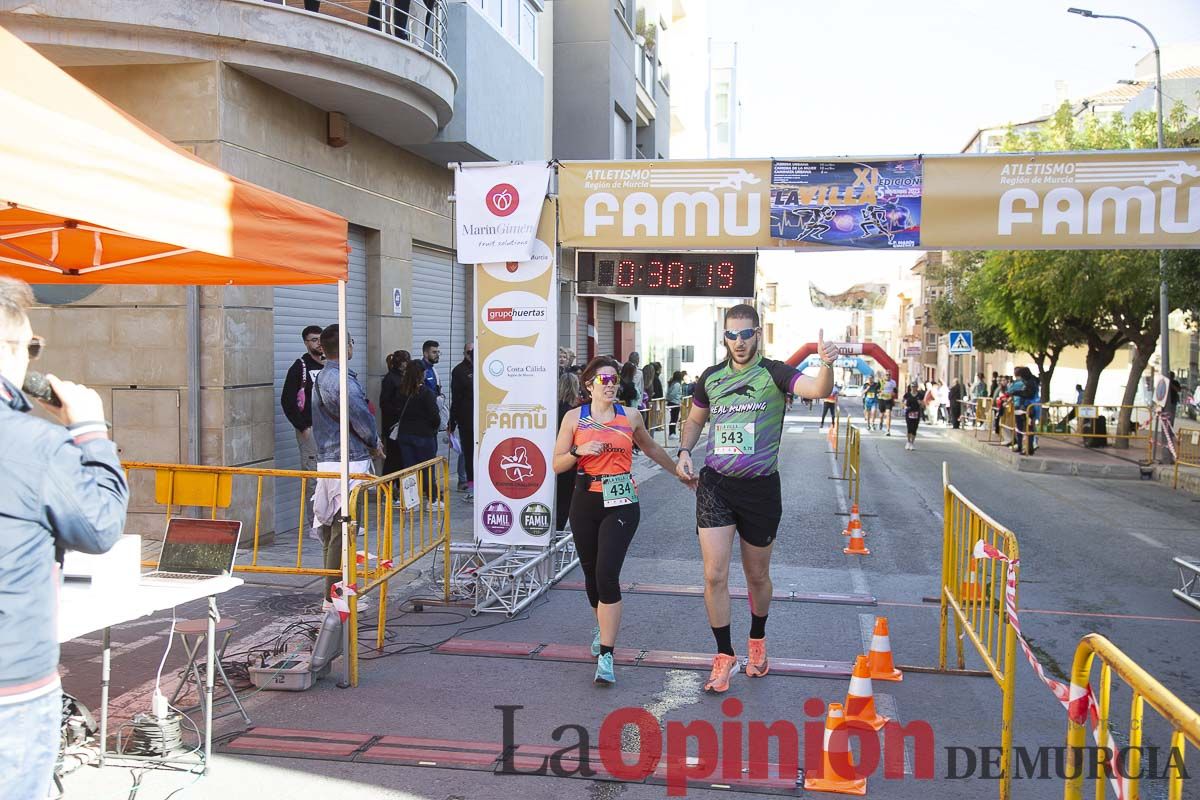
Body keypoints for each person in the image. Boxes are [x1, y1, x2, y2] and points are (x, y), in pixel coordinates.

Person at [0, 277, 129, 800]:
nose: (32, 361)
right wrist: (91, 434)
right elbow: (99, 525)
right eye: (32, 347)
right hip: (10, 687)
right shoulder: (33, 444)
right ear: (9, 347)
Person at [674, 305, 837, 693]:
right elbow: (696, 419)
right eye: (732, 335)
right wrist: (684, 451)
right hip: (715, 485)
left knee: (756, 576)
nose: (739, 342)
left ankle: (758, 642)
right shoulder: (710, 378)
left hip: (760, 488)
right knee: (713, 574)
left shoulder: (774, 373)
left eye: (746, 334)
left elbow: (818, 390)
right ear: (724, 338)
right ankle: (724, 655)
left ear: (757, 335)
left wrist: (826, 364)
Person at [553, 357, 683, 685]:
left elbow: (651, 448)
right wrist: (580, 452)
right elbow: (557, 464)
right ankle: (602, 624)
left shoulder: (631, 416)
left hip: (622, 501)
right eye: (603, 380)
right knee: (591, 574)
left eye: (613, 379)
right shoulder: (574, 418)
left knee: (606, 574)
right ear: (589, 386)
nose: (610, 385)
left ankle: (607, 655)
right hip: (585, 500)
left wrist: (679, 473)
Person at [312, 324, 385, 602]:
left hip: (333, 459)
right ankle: (335, 595)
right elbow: (360, 416)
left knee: (334, 529)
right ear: (346, 346)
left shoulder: (326, 377)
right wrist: (374, 442)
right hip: (347, 460)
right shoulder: (340, 379)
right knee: (344, 529)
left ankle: (336, 591)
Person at [393, 348, 443, 509]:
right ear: (421, 374)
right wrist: (434, 428)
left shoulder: (401, 392)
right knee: (428, 469)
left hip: (405, 435)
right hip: (424, 435)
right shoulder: (426, 393)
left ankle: (410, 501)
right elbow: (435, 416)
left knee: (409, 469)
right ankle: (433, 500)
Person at [280, 325, 325, 471]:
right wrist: (303, 427)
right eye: (314, 340)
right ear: (306, 343)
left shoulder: (330, 365)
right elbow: (287, 401)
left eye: (321, 339)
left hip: (331, 429)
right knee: (313, 473)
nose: (319, 343)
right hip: (310, 427)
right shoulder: (300, 367)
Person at [555, 371, 582, 532]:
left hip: (555, 457)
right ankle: (559, 532)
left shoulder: (553, 409)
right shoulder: (573, 413)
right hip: (569, 460)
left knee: (559, 499)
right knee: (567, 500)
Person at [379, 349, 411, 476]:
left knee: (400, 455)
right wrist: (398, 412)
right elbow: (384, 403)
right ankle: (389, 483)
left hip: (402, 422)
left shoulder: (403, 377)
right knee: (393, 456)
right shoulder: (391, 379)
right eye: (405, 361)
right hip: (393, 424)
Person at [448, 342, 474, 496]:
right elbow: (456, 398)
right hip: (466, 419)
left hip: (482, 419)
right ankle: (467, 484)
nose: (471, 354)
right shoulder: (459, 371)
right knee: (467, 452)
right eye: (468, 352)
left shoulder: (483, 368)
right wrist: (452, 421)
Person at [903, 382, 923, 450]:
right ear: (910, 387)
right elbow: (903, 402)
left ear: (917, 387)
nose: (913, 388)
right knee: (909, 428)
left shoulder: (920, 395)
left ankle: (912, 443)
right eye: (912, 387)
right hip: (909, 412)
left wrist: (920, 403)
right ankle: (908, 441)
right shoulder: (907, 395)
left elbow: (923, 405)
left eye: (915, 387)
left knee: (914, 428)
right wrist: (905, 406)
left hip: (916, 412)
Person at [666, 370, 685, 437]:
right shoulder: (677, 384)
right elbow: (673, 394)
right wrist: (679, 396)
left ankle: (672, 433)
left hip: (672, 402)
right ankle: (672, 433)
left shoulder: (673, 383)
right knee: (674, 418)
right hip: (674, 403)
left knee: (673, 418)